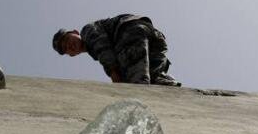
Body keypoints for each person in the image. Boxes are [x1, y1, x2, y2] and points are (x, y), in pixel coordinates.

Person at [52, 14, 181, 86]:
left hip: (129, 32)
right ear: (72, 55)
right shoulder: (95, 51)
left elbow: (101, 45)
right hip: (154, 40)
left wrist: (112, 70)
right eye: (66, 48)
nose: (69, 45)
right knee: (154, 78)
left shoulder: (87, 31)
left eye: (68, 40)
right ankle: (166, 84)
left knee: (134, 85)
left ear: (75, 32)